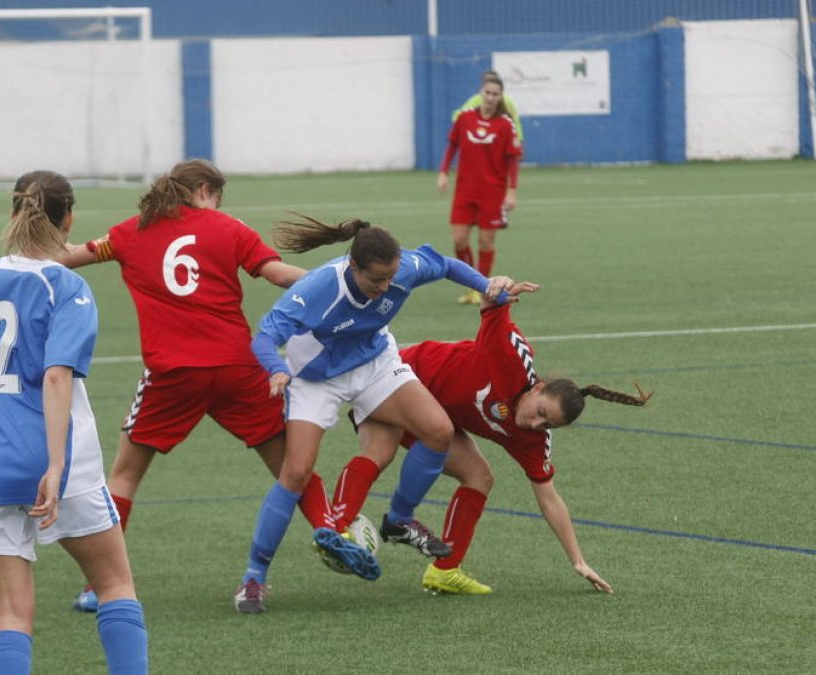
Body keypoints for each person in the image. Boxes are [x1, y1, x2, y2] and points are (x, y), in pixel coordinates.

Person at [57, 158, 331, 612]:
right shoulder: (229, 228)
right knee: (291, 466)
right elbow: (279, 274)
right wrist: (336, 285)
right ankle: (332, 531)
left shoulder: (129, 231)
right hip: (238, 368)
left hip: (173, 374)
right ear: (206, 189)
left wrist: (25, 252)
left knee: (125, 475)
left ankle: (97, 587)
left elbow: (71, 257)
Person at [0, 171, 148, 674]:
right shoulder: (67, 285)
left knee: (11, 614)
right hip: (56, 463)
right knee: (114, 585)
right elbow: (57, 376)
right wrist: (55, 463)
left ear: (14, 213)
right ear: (68, 219)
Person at [235, 214, 518, 614]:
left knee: (437, 430)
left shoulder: (402, 269)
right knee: (296, 472)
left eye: (391, 277)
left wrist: (487, 285)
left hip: (374, 362)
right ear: (353, 267)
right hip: (316, 376)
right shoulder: (321, 287)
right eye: (377, 281)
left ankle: (399, 519)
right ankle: (253, 577)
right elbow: (265, 335)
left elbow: (447, 264)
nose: (387, 286)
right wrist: (277, 369)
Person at [329, 293, 652, 595]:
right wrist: (499, 288)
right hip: (399, 377)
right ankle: (336, 530)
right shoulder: (510, 359)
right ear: (538, 387)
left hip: (438, 418)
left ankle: (445, 570)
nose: (536, 424)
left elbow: (550, 499)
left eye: (548, 424)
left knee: (480, 477)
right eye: (540, 413)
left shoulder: (532, 438)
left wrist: (578, 561)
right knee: (379, 452)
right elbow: (491, 306)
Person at [438, 73, 524, 305]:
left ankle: (481, 288)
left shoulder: (506, 125)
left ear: (500, 97)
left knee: (485, 242)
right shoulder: (465, 118)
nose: (490, 97)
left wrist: (511, 190)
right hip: (465, 191)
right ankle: (471, 285)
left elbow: (512, 160)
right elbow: (452, 146)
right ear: (480, 94)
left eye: (495, 94)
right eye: (487, 93)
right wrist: (443, 173)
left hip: (492, 193)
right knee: (459, 240)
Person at [451, 69, 525, 143]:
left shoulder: (508, 102)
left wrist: (518, 141)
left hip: (500, 143)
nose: (490, 98)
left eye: (494, 80)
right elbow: (457, 117)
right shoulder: (475, 100)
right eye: (487, 81)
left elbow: (516, 123)